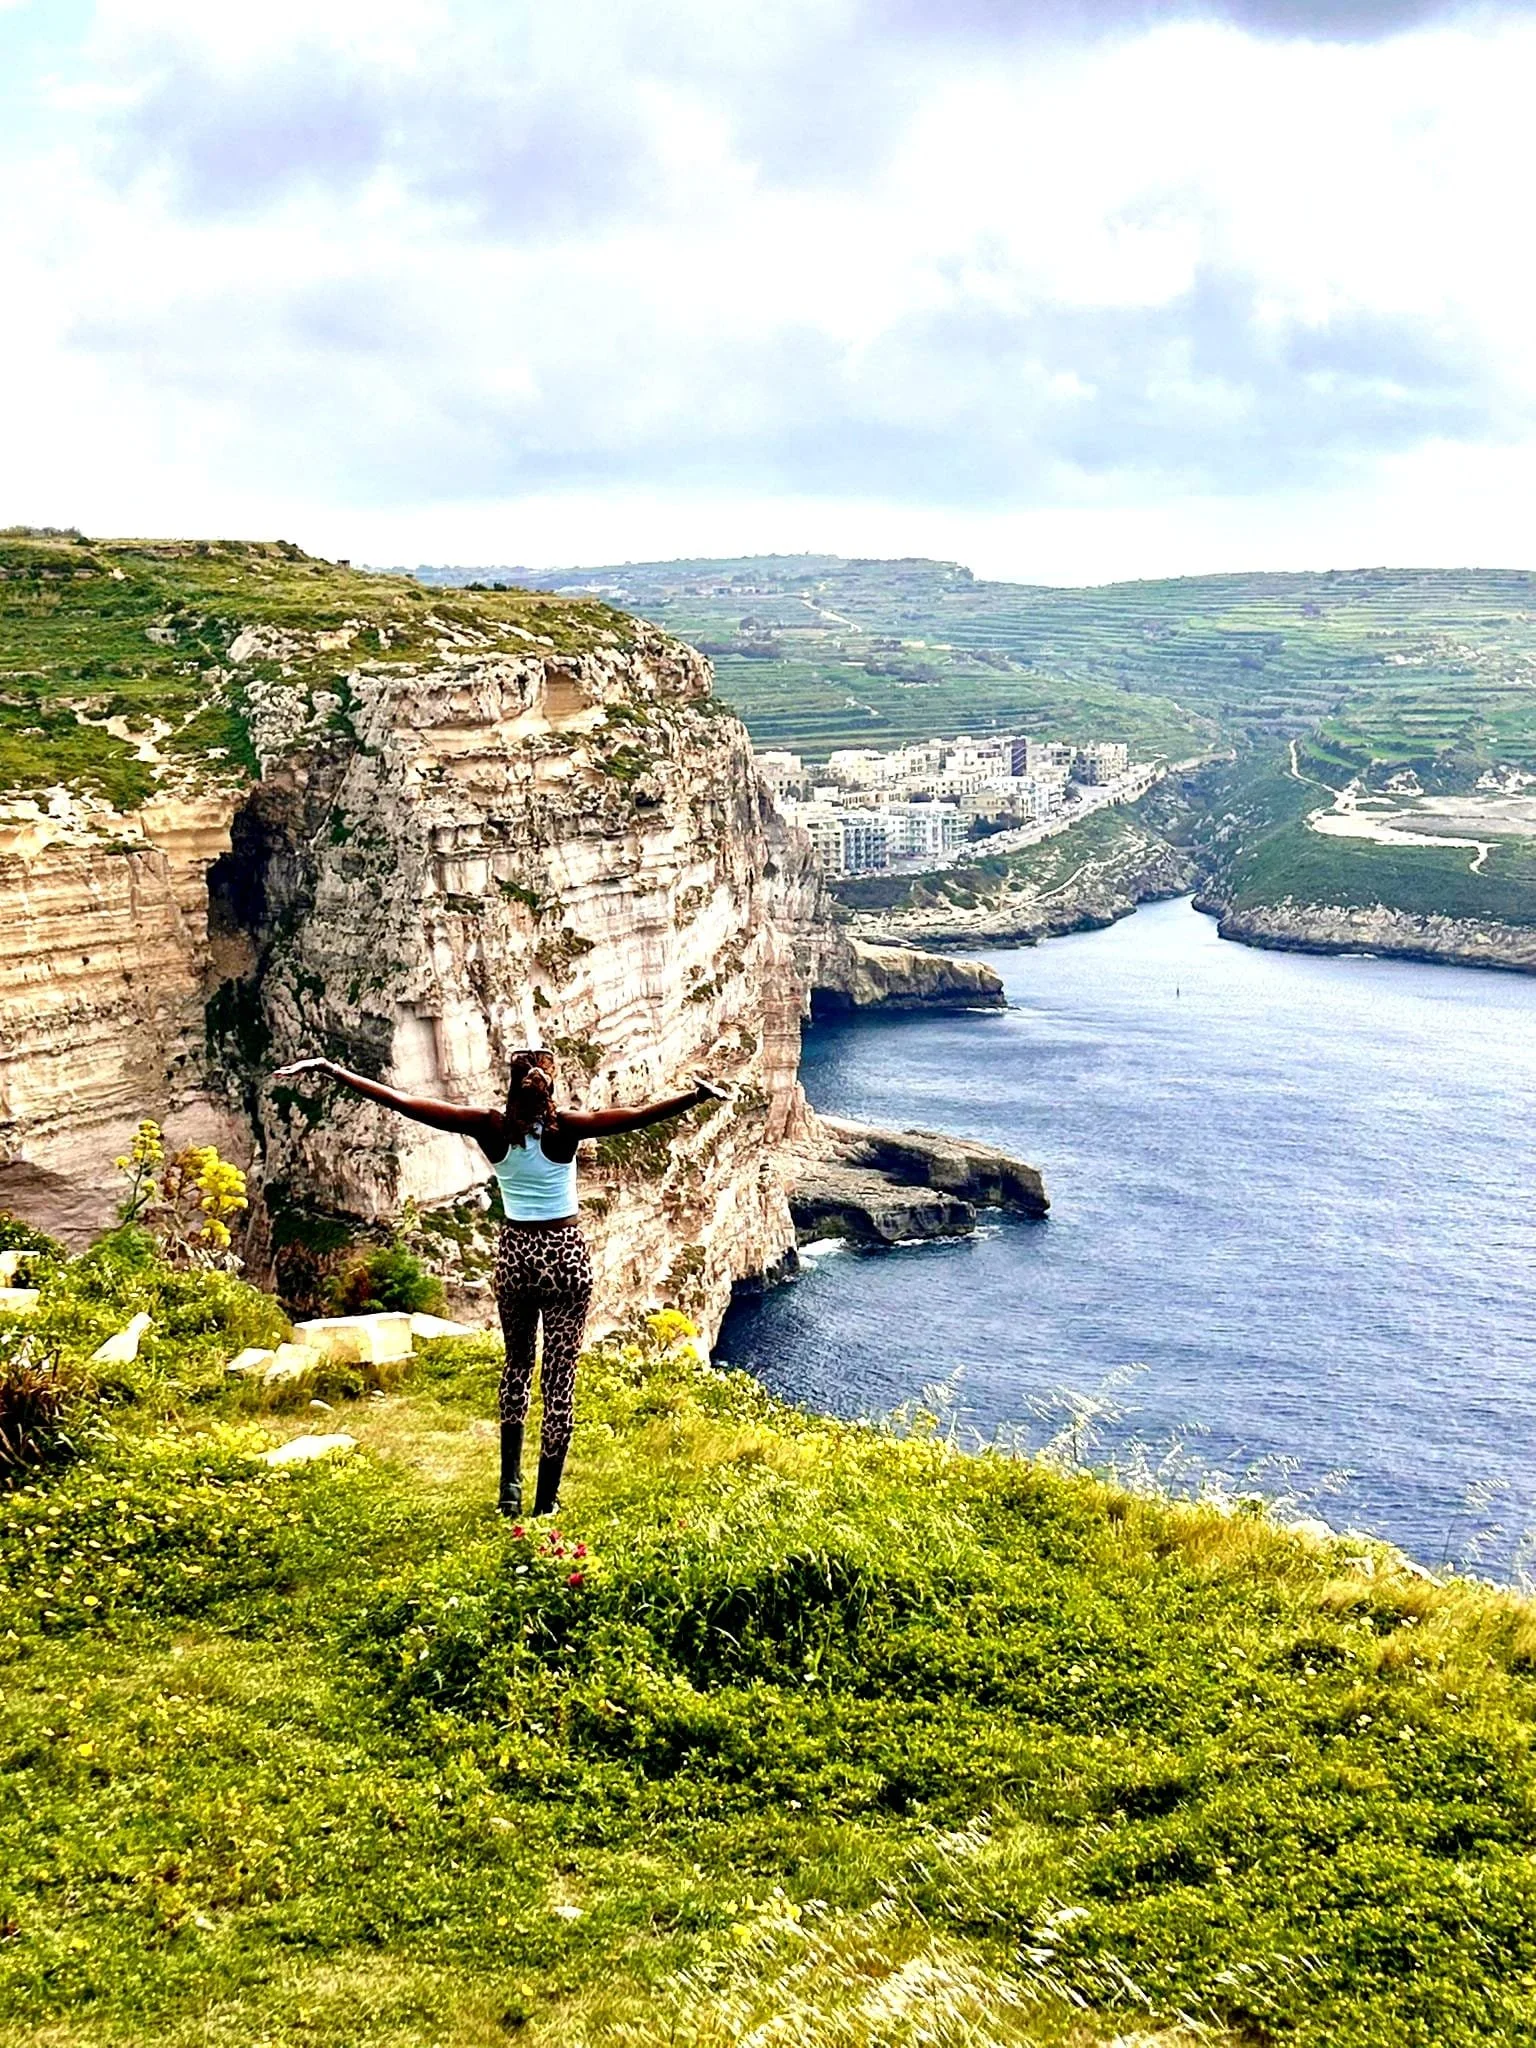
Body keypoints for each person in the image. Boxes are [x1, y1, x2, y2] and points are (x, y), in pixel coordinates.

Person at [270, 1046, 727, 1520]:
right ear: (551, 1089)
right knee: (559, 1378)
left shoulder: (489, 1127)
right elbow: (633, 1117)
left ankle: (509, 1488)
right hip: (565, 1254)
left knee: (517, 1365)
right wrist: (694, 1097)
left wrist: (329, 1068)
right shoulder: (564, 1130)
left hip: (515, 1256)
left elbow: (402, 1102)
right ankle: (545, 1504)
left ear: (511, 1087)